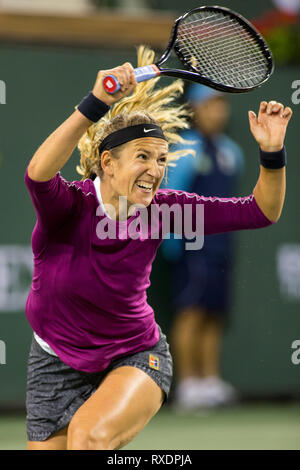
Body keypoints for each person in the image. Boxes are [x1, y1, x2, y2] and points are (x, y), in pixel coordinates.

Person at [24, 45, 292, 450]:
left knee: (89, 439)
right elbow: (38, 175)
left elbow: (262, 211)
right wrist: (95, 103)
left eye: (162, 158)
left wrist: (272, 153)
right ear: (108, 163)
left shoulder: (166, 210)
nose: (155, 169)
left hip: (134, 354)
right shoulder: (69, 206)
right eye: (143, 156)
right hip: (54, 359)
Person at [161, 84, 244, 410]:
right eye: (210, 106)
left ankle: (209, 381)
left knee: (214, 313)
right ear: (195, 110)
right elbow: (168, 198)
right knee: (191, 311)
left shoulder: (231, 152)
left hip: (221, 246)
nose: (218, 112)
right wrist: (171, 241)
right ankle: (189, 384)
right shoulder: (184, 150)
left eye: (221, 105)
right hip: (191, 244)